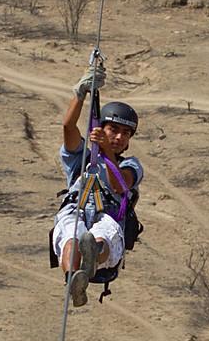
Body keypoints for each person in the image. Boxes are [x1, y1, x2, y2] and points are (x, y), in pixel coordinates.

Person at [53, 61, 143, 307]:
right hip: (76, 209)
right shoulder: (80, 158)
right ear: (100, 129)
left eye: (125, 133)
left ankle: (92, 257)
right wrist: (80, 94)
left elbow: (118, 186)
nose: (118, 137)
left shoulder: (131, 165)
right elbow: (68, 127)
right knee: (71, 238)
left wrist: (105, 150)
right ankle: (74, 279)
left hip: (109, 216)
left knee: (101, 238)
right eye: (113, 130)